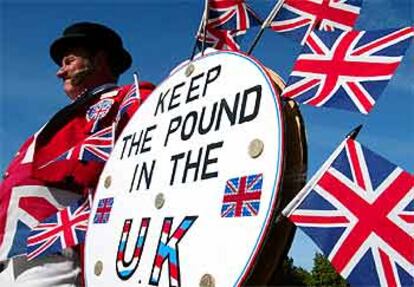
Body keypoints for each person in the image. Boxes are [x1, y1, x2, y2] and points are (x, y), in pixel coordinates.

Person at [0, 22, 155, 286]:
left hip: (54, 253)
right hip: (11, 256)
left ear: (100, 59)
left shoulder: (130, 98)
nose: (60, 72)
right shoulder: (49, 129)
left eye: (69, 61)